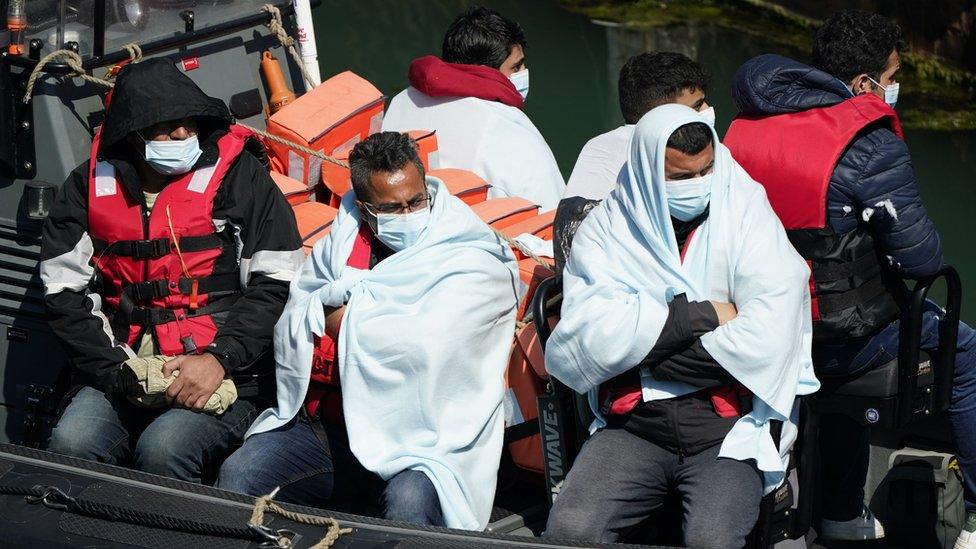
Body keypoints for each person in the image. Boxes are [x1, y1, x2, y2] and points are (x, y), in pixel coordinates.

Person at [725, 10, 976, 545]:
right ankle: (974, 513)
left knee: (847, 319)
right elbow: (922, 260)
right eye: (891, 76)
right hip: (835, 337)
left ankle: (840, 510)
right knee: (965, 352)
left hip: (756, 328)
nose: (893, 87)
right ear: (863, 83)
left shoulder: (742, 127)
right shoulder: (868, 142)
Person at [542, 106, 819, 547]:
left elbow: (768, 338)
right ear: (649, 172)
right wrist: (702, 315)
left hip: (726, 433)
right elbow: (590, 338)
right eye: (680, 177)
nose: (698, 186)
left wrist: (643, 352)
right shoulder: (608, 230)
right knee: (569, 531)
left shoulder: (748, 213)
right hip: (635, 429)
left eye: (705, 170)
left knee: (712, 540)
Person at [217, 132, 520, 530]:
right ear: (365, 208)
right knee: (241, 475)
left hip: (427, 442)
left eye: (416, 200)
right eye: (393, 209)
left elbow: (426, 346)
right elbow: (297, 314)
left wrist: (343, 319)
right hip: (333, 428)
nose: (410, 213)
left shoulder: (472, 255)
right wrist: (354, 320)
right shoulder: (341, 243)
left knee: (409, 501)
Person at [39, 58, 304, 483]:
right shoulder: (85, 186)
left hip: (227, 371)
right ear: (132, 134)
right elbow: (62, 290)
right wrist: (116, 371)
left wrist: (220, 358)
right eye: (166, 127)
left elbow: (277, 282)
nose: (182, 135)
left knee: (165, 448)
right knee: (73, 442)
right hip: (125, 366)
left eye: (190, 123)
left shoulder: (240, 176)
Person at [382, 6, 564, 211]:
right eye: (516, 67)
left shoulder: (402, 101)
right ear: (485, 72)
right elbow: (550, 208)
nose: (524, 72)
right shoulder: (505, 124)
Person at [555, 51, 712, 272]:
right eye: (696, 106)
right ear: (660, 114)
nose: (706, 111)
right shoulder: (667, 152)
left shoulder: (596, 144)